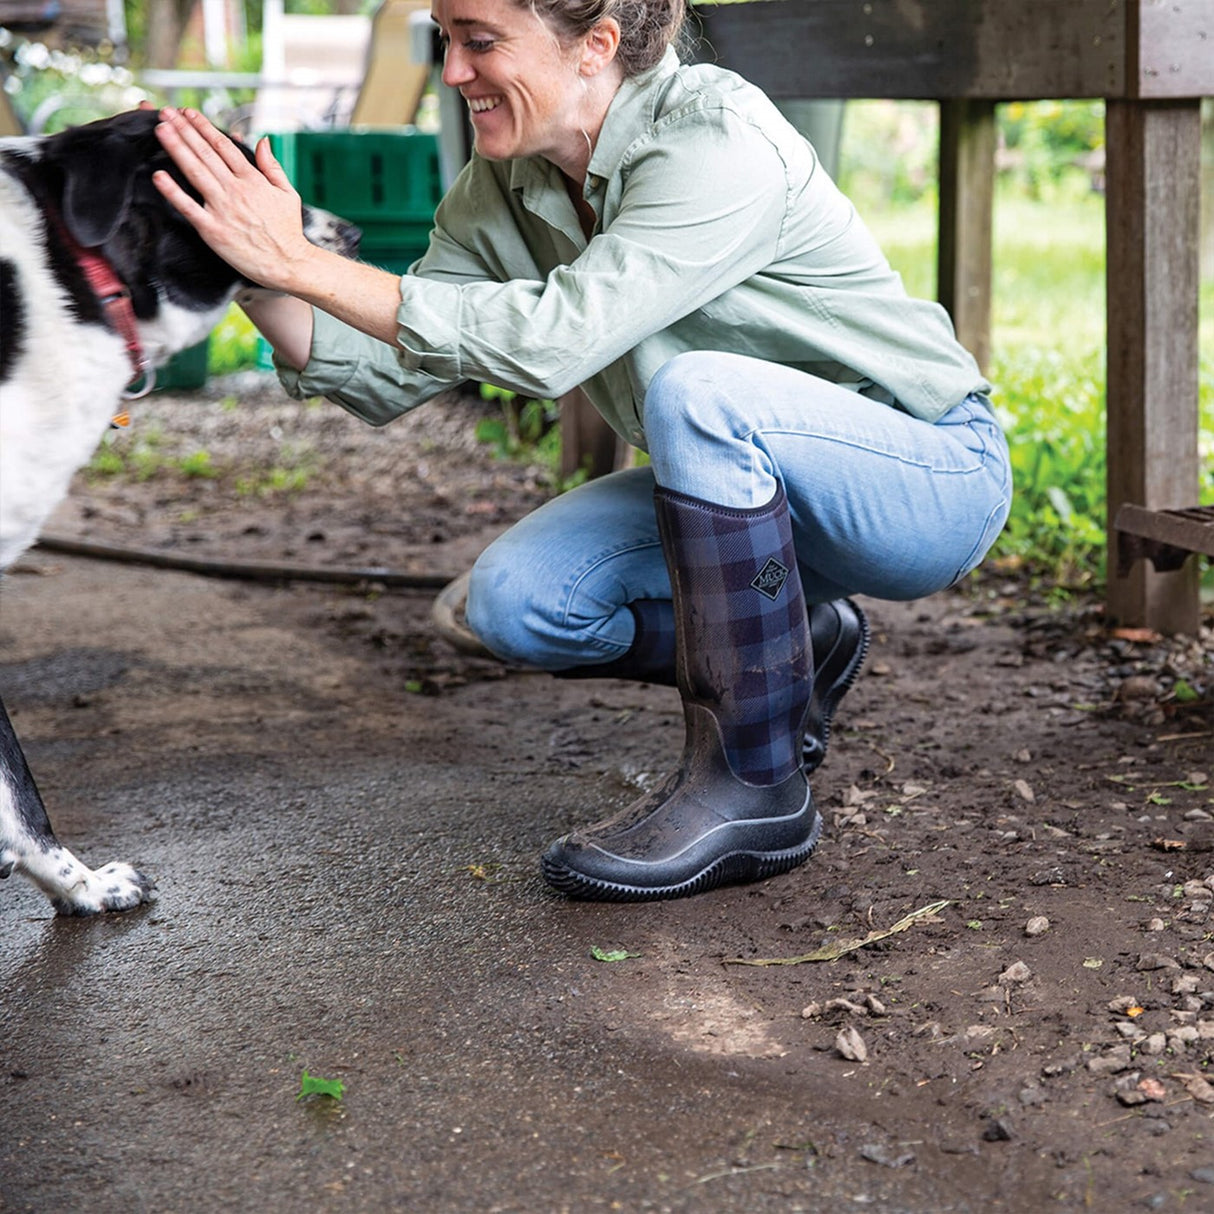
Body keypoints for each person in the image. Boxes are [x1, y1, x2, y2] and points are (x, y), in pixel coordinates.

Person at [152, 0, 1012, 903]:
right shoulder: (501, 191)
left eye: (480, 42)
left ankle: (754, 789)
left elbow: (554, 342)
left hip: (924, 478)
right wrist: (242, 263)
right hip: (742, 490)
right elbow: (381, 372)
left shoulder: (715, 138)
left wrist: (303, 261)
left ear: (597, 45)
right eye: (447, 40)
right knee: (515, 605)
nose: (452, 72)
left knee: (699, 390)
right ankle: (789, 638)